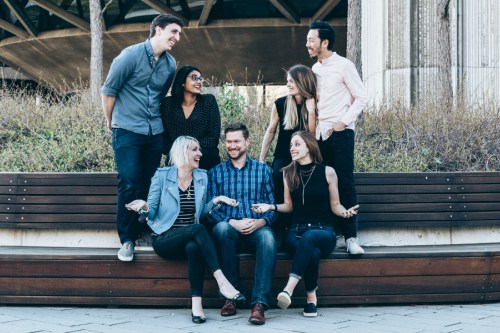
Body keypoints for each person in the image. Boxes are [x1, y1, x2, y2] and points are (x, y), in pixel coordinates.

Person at [125, 136, 246, 324]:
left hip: (190, 237)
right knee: (197, 230)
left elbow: (201, 214)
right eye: (195, 150)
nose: (200, 153)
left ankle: (196, 306)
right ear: (182, 152)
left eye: (199, 149)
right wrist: (144, 206)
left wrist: (216, 201)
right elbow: (152, 212)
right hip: (164, 238)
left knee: (194, 247)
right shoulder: (162, 175)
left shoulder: (201, 177)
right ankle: (222, 281)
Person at [101, 14, 183, 262]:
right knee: (129, 182)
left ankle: (146, 229)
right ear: (158, 30)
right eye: (173, 32)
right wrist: (111, 122)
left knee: (150, 183)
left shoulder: (170, 64)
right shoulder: (129, 56)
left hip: (154, 132)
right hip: (126, 129)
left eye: (179, 34)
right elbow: (108, 92)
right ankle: (127, 239)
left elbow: (159, 97)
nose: (177, 38)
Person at [251, 131, 359, 317]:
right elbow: (288, 206)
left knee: (311, 238)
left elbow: (335, 205)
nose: (292, 148)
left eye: (297, 144)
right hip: (295, 232)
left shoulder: (328, 172)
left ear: (309, 146)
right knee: (312, 251)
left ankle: (289, 289)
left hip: (323, 231)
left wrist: (345, 212)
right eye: (291, 145)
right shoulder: (287, 173)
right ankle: (311, 298)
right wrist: (270, 206)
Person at [306, 20, 368, 255]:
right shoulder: (315, 69)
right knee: (324, 183)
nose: (307, 44)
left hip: (340, 134)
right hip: (320, 135)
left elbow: (361, 97)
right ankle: (331, 233)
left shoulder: (344, 65)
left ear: (325, 42)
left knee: (344, 182)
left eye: (311, 40)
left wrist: (343, 123)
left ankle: (351, 237)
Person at [207, 123, 277, 325]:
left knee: (268, 237)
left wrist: (261, 222)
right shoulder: (216, 172)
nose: (232, 145)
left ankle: (259, 304)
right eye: (228, 142)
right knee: (220, 228)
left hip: (257, 228)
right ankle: (231, 297)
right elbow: (211, 210)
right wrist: (232, 222)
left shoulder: (263, 171)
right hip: (230, 229)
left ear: (247, 142)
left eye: (236, 141)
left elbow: (271, 206)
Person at [259, 64, 317, 217]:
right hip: (284, 155)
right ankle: (280, 224)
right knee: (278, 177)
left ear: (302, 81)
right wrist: (262, 159)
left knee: (304, 184)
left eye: (291, 81)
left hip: (305, 156)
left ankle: (301, 221)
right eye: (288, 81)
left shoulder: (313, 103)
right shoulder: (281, 103)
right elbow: (271, 131)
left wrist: (311, 111)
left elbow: (312, 136)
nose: (288, 85)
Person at [160, 65, 221, 171]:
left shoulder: (209, 101)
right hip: (177, 159)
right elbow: (164, 140)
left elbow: (213, 138)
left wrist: (189, 150)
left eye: (200, 78)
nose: (199, 82)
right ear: (182, 82)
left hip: (205, 156)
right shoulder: (167, 104)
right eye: (194, 78)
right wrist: (181, 152)